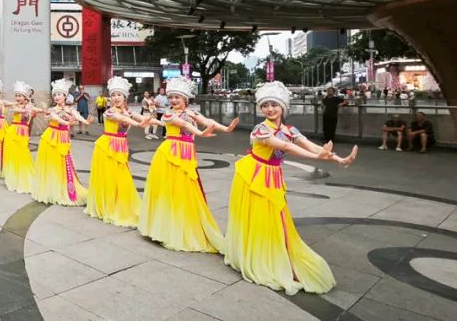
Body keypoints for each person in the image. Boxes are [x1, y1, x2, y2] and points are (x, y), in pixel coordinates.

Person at [223, 81, 357, 295]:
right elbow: (287, 147)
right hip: (254, 175)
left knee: (274, 218)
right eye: (265, 105)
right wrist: (317, 156)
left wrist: (338, 159)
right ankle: (255, 255)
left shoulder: (289, 129)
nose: (270, 109)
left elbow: (309, 145)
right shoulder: (261, 129)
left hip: (273, 176)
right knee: (259, 216)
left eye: (274, 105)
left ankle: (269, 253)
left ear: (283, 107)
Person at [139, 77, 233, 253]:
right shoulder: (169, 114)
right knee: (171, 190)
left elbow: (208, 122)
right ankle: (167, 227)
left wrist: (225, 129)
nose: (174, 100)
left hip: (186, 154)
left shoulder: (192, 113)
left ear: (186, 100)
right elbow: (183, 125)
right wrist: (200, 132)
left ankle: (185, 224)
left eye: (178, 98)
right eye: (172, 97)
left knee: (186, 191)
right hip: (170, 153)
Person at [84, 77, 149, 227]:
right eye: (113, 95)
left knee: (121, 176)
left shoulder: (127, 110)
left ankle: (119, 203)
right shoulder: (109, 112)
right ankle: (108, 205)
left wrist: (155, 120)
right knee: (110, 176)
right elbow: (127, 119)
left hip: (121, 147)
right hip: (107, 147)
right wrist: (139, 123)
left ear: (125, 97)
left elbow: (140, 117)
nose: (116, 98)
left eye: (119, 95)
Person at [31, 79, 89, 206]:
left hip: (63, 137)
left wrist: (85, 122)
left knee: (63, 162)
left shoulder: (70, 109)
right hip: (50, 138)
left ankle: (63, 187)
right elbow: (56, 118)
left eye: (59, 94)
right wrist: (68, 123)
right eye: (55, 95)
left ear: (65, 96)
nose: (57, 97)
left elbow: (78, 116)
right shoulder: (52, 110)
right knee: (52, 163)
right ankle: (51, 189)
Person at [2, 82, 37, 193]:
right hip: (12, 131)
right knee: (12, 153)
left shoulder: (30, 106)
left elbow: (32, 112)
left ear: (25, 97)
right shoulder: (15, 105)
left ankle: (24, 177)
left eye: (20, 96)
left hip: (22, 132)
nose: (17, 98)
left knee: (23, 153)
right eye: (16, 95)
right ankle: (13, 176)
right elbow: (3, 102)